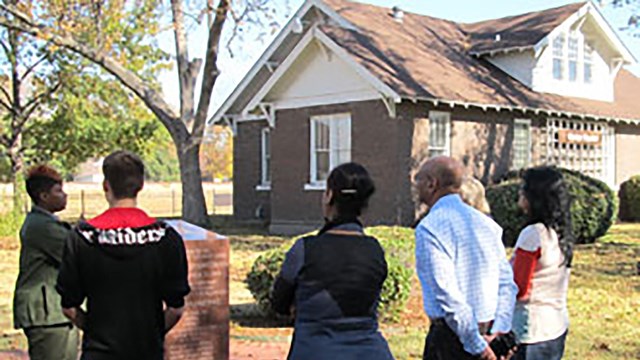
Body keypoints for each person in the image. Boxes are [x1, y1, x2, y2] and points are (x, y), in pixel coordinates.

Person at [56, 150, 190, 360]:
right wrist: (151, 333)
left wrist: (94, 330)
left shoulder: (81, 237)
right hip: (147, 351)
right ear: (141, 185)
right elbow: (176, 308)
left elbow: (68, 306)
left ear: (105, 186)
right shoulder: (166, 238)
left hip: (99, 351)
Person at [271, 162, 394, 360]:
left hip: (315, 350)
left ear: (329, 196)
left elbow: (278, 303)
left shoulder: (304, 249)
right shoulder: (375, 250)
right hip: (371, 352)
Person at [413, 156, 518, 360]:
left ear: (431, 183)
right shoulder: (486, 223)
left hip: (452, 340)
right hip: (488, 331)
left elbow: (448, 296)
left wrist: (478, 347)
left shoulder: (430, 228)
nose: (414, 185)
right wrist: (498, 331)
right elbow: (506, 284)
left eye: (418, 179)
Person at [12, 165, 79, 360]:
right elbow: (74, 253)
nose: (64, 195)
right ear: (43, 196)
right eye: (58, 191)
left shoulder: (42, 223)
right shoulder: (43, 227)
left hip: (54, 313)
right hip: (46, 313)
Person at [511, 167, 573, 360]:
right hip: (556, 324)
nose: (520, 193)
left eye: (524, 188)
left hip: (531, 328)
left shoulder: (532, 234)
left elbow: (520, 288)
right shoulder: (561, 233)